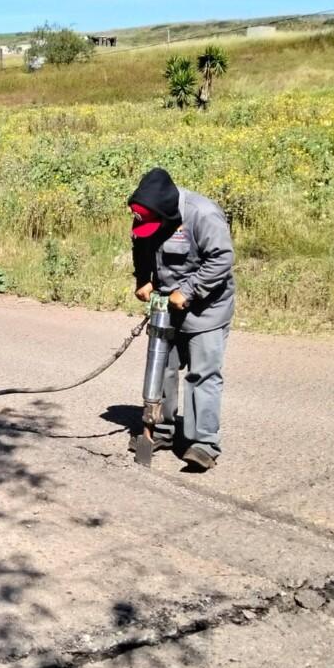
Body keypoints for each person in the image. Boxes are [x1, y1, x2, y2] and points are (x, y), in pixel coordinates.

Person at [127, 167, 235, 471]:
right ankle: (161, 430)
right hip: (167, 305)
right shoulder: (147, 214)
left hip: (206, 309)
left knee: (202, 374)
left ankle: (204, 444)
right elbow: (140, 244)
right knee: (164, 370)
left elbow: (222, 259)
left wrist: (188, 290)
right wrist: (142, 278)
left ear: (167, 212)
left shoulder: (202, 214)